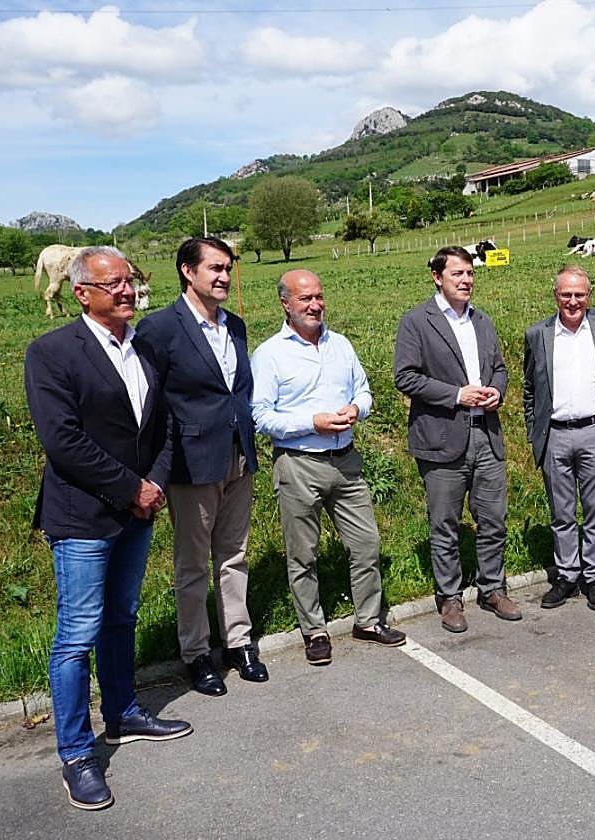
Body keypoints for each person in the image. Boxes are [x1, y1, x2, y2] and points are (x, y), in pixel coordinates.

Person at [25, 246, 191, 811]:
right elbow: (62, 440)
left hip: (138, 510)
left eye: (131, 282)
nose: (128, 291)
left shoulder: (141, 347)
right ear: (82, 293)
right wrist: (132, 487)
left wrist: (156, 484)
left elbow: (163, 425)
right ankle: (75, 754)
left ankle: (122, 713)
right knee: (77, 634)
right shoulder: (51, 352)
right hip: (83, 516)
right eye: (114, 283)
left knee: (121, 617)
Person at [251, 270, 405, 664]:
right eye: (305, 299)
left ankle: (368, 621)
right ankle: (314, 631)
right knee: (303, 553)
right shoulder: (270, 354)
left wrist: (357, 408)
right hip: (298, 462)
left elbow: (364, 390)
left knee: (366, 544)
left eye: (319, 297)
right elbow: (260, 416)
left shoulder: (341, 345)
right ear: (285, 303)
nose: (315, 305)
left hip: (346, 460)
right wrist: (311, 422)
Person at [134, 237, 266, 697]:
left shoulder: (236, 326)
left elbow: (239, 391)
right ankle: (196, 653)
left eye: (228, 268)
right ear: (188, 272)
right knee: (193, 564)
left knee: (234, 555)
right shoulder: (159, 328)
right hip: (191, 463)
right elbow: (151, 401)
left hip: (237, 455)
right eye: (215, 268)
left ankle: (238, 642)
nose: (224, 277)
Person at [394, 246, 521, 633]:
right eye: (457, 275)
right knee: (445, 523)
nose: (466, 281)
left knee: (493, 519)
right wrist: (456, 395)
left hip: (486, 434)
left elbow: (499, 368)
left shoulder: (482, 320)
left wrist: (497, 390)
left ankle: (491, 588)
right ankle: (449, 598)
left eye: (469, 274)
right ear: (437, 277)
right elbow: (406, 376)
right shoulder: (417, 321)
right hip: (442, 438)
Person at [523, 265, 595, 611]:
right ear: (555, 295)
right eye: (566, 294)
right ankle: (567, 575)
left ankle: (594, 576)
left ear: (588, 296)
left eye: (579, 294)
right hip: (555, 434)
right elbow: (529, 388)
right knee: (562, 512)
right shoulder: (538, 333)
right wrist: (533, 429)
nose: (573, 301)